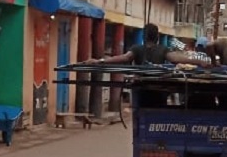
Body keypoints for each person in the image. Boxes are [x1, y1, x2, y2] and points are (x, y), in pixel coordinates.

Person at [81, 23, 210, 107]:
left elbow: (124, 58)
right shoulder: (162, 49)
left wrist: (100, 61)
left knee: (141, 112)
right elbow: (178, 58)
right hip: (159, 91)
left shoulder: (137, 49)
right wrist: (199, 61)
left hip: (141, 91)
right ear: (157, 37)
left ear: (144, 36)